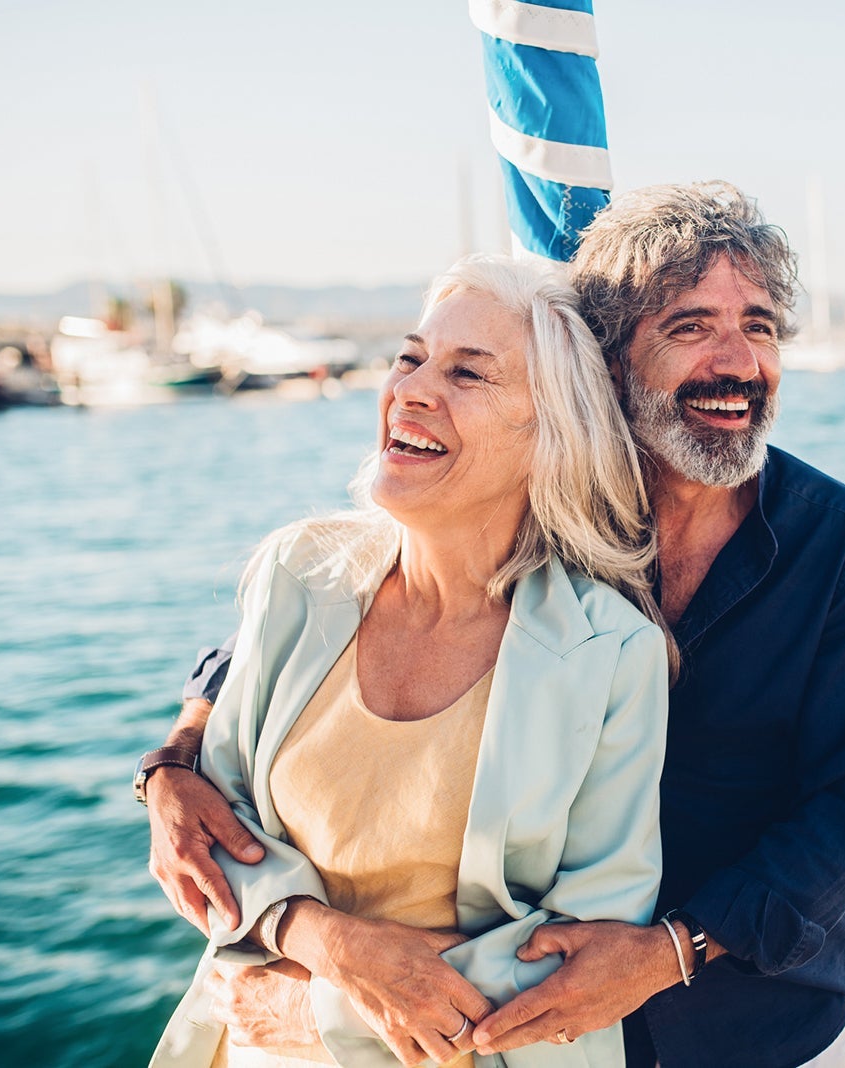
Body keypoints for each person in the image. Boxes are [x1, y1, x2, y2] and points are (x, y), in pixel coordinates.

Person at [145, 182, 845, 1067]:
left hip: (752, 1021)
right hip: (521, 1034)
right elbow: (309, 625)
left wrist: (674, 950)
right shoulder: (530, 502)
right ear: (611, 364)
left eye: (762, 326)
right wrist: (172, 760)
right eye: (691, 327)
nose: (736, 360)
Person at [143, 255, 672, 1068]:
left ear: (549, 434)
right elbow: (209, 834)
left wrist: (326, 1013)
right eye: (410, 357)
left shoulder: (612, 656)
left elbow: (582, 955)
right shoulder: (297, 573)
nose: (414, 390)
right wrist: (327, 942)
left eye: (469, 373)